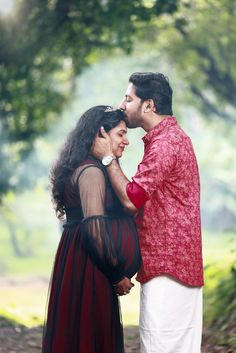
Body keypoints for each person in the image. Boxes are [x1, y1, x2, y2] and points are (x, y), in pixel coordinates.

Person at [92, 72, 204, 353]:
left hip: (169, 268)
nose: (122, 105)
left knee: (160, 346)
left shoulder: (166, 143)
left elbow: (132, 200)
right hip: (175, 265)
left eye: (128, 99)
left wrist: (108, 158)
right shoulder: (168, 139)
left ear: (149, 105)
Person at [42, 105, 141, 353]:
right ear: (101, 134)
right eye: (121, 134)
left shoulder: (94, 167)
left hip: (87, 262)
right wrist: (117, 274)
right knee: (90, 335)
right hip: (91, 266)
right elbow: (94, 229)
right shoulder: (91, 172)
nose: (126, 141)